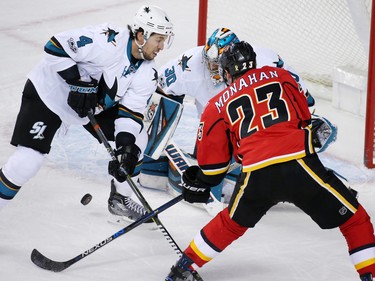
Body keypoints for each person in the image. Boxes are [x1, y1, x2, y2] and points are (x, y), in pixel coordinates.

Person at [165, 41, 375, 281]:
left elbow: (214, 167)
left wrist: (200, 181)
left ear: (226, 71)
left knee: (231, 223)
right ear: (253, 62)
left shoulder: (216, 104)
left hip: (257, 174)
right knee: (355, 220)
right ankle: (370, 276)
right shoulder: (282, 76)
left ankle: (183, 268)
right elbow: (306, 117)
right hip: (299, 165)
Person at [0, 5, 174, 223]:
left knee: (136, 141)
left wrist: (125, 152)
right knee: (27, 162)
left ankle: (121, 198)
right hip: (49, 94)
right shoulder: (107, 40)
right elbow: (54, 46)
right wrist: (77, 82)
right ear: (141, 34)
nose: (162, 46)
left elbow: (131, 114)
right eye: (159, 39)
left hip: (90, 106)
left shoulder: (147, 72)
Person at [140, 27, 334, 201]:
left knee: (263, 172)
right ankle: (147, 159)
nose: (214, 71)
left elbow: (304, 98)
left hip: (257, 129)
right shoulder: (189, 65)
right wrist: (145, 133)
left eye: (219, 65)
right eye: (210, 63)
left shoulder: (266, 60)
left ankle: (294, 170)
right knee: (162, 101)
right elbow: (158, 86)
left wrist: (306, 126)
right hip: (215, 130)